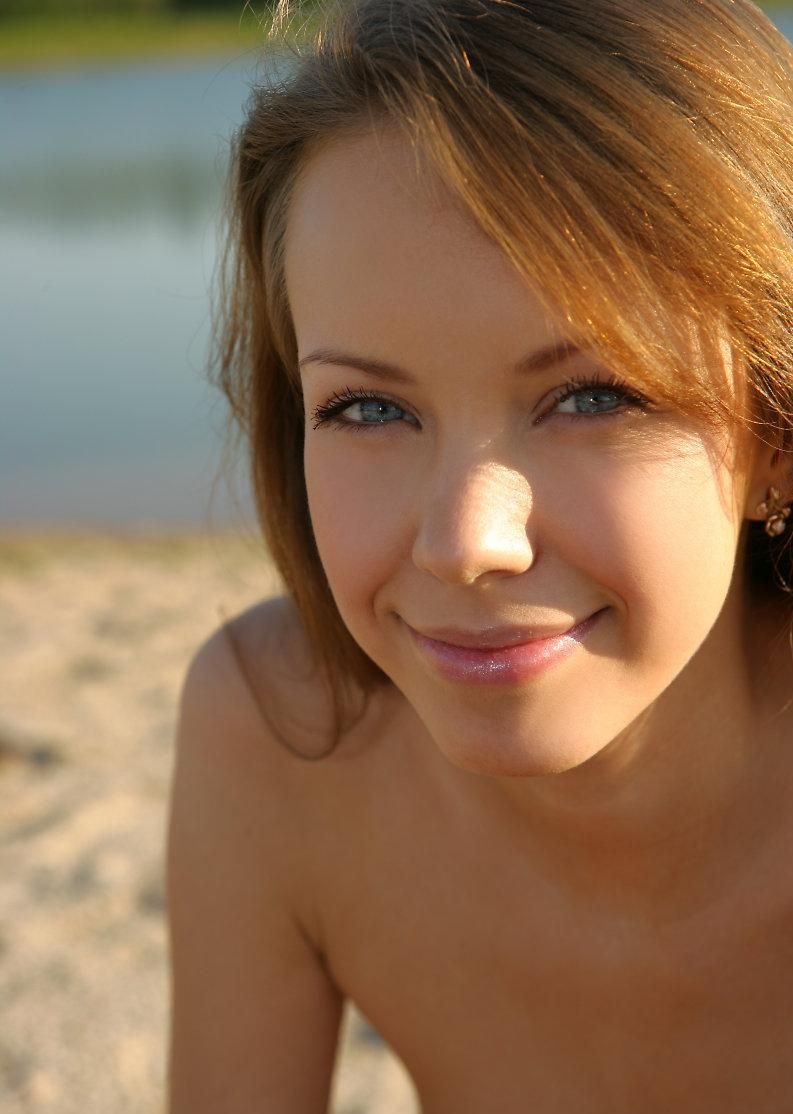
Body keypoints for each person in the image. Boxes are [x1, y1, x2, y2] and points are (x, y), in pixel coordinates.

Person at [165, 0, 793, 1109]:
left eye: (591, 395)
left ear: (773, 435)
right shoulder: (278, 742)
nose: (465, 541)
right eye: (364, 408)